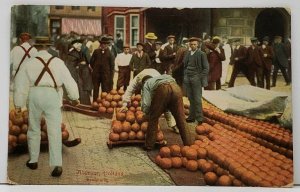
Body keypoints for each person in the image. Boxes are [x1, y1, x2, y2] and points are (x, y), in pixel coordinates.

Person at [13, 36, 79, 177]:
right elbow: (69, 79)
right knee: (54, 130)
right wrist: (75, 97)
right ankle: (57, 164)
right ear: (49, 47)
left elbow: (20, 84)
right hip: (52, 94)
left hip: (35, 93)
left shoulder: (29, 62)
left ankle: (33, 160)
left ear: (36, 47)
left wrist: (19, 104)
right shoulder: (58, 62)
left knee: (34, 128)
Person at [141, 74, 193, 150]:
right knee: (181, 119)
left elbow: (146, 104)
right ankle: (189, 145)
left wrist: (146, 113)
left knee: (153, 118)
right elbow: (168, 101)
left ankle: (149, 145)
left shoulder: (146, 84)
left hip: (163, 89)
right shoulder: (161, 77)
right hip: (176, 88)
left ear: (143, 82)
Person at [119, 68, 179, 134]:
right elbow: (129, 90)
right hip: (146, 79)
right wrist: (124, 104)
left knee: (165, 106)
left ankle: (173, 125)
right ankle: (145, 119)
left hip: (157, 86)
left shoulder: (157, 80)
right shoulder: (137, 79)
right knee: (145, 102)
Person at [183, 37, 209, 125]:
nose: (193, 46)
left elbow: (206, 68)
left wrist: (199, 77)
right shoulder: (187, 54)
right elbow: (185, 65)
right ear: (189, 45)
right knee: (190, 98)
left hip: (196, 79)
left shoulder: (202, 54)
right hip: (188, 78)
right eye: (191, 44)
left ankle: (199, 118)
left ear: (197, 45)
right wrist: (185, 75)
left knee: (197, 99)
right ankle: (191, 117)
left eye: (194, 44)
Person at [65, 40, 93, 105]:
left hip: (82, 73)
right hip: (75, 73)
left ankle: (84, 103)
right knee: (79, 87)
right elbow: (71, 64)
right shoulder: (72, 52)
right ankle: (81, 102)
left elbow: (89, 60)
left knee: (83, 87)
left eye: (79, 45)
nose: (78, 47)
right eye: (76, 45)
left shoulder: (84, 50)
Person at [90, 36, 115, 102]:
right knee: (96, 89)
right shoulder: (96, 52)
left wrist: (111, 76)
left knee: (105, 90)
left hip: (106, 75)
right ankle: (95, 102)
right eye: (102, 44)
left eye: (105, 44)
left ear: (107, 45)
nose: (103, 45)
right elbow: (91, 62)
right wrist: (95, 69)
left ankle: (104, 103)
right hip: (96, 75)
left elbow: (112, 66)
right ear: (100, 44)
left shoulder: (110, 53)